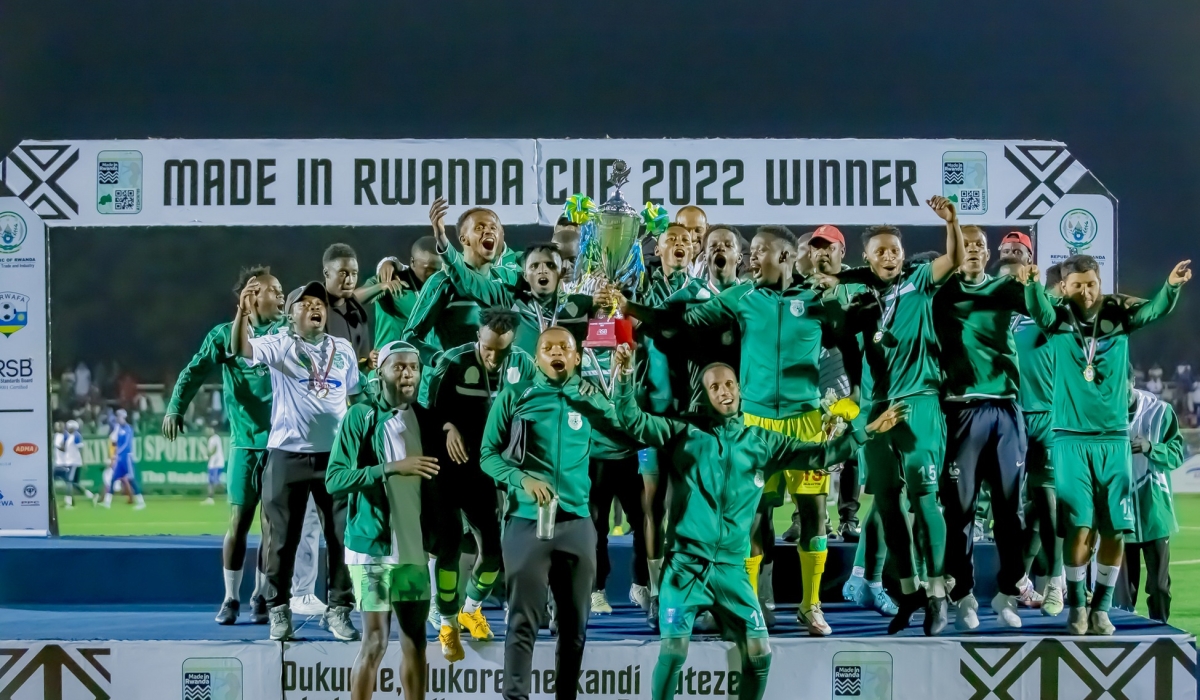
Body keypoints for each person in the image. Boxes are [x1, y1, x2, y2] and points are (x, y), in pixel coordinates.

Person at [610, 346, 909, 700]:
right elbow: (631, 418)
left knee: (760, 653)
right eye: (715, 387)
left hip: (732, 571)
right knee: (673, 652)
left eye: (730, 384)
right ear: (704, 396)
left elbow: (818, 454)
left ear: (739, 388)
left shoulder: (760, 442)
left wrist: (866, 432)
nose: (725, 391)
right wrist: (625, 377)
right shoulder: (683, 434)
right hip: (685, 568)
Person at [623, 224, 861, 637]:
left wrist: (851, 403)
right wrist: (629, 307)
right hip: (753, 423)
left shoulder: (818, 300)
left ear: (785, 257)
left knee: (814, 517)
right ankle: (748, 603)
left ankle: (810, 605)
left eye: (761, 251)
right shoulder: (742, 297)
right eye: (750, 252)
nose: (752, 258)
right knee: (753, 518)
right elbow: (679, 324)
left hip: (806, 423)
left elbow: (853, 349)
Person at [1020, 254, 1190, 634]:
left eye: (1091, 284)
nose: (1085, 291)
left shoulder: (1118, 311)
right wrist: (1032, 285)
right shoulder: (1057, 317)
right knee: (1079, 526)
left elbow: (1154, 312)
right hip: (1069, 440)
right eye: (1077, 285)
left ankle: (1102, 608)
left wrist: (1171, 288)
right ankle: (1077, 606)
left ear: (1100, 282)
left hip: (1114, 439)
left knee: (1115, 529)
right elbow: (1037, 308)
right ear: (1064, 286)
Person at [479, 326, 626, 700]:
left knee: (574, 626)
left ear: (577, 357)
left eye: (565, 347)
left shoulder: (590, 399)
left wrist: (619, 386)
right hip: (526, 523)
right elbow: (487, 455)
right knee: (523, 622)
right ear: (537, 357)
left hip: (576, 524)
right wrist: (521, 479)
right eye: (547, 347)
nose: (556, 351)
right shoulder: (516, 395)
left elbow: (623, 436)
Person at [840, 196, 965, 635]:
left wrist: (952, 222)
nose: (890, 255)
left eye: (895, 248)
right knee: (888, 504)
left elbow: (953, 259)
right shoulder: (859, 299)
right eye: (881, 251)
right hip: (877, 410)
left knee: (925, 498)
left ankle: (936, 595)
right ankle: (909, 592)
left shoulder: (919, 282)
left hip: (919, 403)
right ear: (868, 258)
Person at [232, 279, 363, 641]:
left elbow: (355, 397)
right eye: (304, 304)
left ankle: (339, 610)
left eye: (318, 302)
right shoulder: (279, 344)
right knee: (281, 540)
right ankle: (278, 610)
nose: (314, 307)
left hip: (336, 459)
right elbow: (242, 349)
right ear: (291, 315)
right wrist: (243, 313)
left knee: (342, 538)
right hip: (287, 456)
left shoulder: (343, 348)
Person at [164, 266, 285, 625]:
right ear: (251, 297)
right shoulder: (223, 336)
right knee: (239, 521)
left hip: (281, 444)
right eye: (273, 290)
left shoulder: (286, 333)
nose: (281, 294)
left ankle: (261, 596)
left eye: (281, 290)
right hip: (245, 445)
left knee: (272, 526)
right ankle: (230, 597)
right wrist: (175, 406)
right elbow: (194, 370)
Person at [326, 341, 443, 700]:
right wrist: (391, 469)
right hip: (371, 549)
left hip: (412, 549)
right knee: (375, 641)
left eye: (413, 367)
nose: (407, 373)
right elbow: (335, 479)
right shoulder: (361, 416)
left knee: (415, 641)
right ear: (381, 373)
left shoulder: (427, 419)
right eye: (399, 367)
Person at [422, 308, 537, 660]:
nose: (494, 357)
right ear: (479, 338)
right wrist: (447, 427)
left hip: (486, 472)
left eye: (501, 351)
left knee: (493, 552)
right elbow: (427, 412)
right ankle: (445, 622)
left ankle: (470, 609)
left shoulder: (523, 365)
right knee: (449, 547)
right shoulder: (452, 361)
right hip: (446, 469)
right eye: (488, 348)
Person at [931, 225, 1031, 630]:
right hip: (961, 409)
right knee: (960, 511)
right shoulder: (939, 292)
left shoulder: (1006, 290)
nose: (973, 251)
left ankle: (1008, 593)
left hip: (1006, 409)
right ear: (956, 251)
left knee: (1010, 511)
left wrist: (1036, 287)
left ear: (988, 254)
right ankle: (964, 594)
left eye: (979, 246)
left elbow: (1047, 314)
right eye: (966, 245)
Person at [1005, 261, 1066, 617]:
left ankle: (1054, 583)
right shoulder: (1014, 318)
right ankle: (1019, 581)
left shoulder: (1059, 318)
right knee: (1027, 513)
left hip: (1047, 420)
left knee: (1047, 504)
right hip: (1011, 419)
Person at [404, 199, 521, 364]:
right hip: (446, 385)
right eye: (479, 227)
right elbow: (410, 337)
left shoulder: (505, 280)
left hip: (490, 385)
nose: (488, 231)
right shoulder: (442, 282)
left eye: (493, 228)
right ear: (464, 239)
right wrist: (442, 360)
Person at [1123, 366, 1185, 622]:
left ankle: (1162, 636)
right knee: (1124, 592)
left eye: (1122, 385)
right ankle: (1120, 645)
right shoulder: (1103, 414)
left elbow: (1178, 453)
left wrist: (1152, 447)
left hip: (1154, 510)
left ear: (1133, 381)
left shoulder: (1159, 411)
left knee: (1159, 588)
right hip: (1121, 511)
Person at [366, 236, 443, 348]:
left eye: (439, 270)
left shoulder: (443, 286)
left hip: (423, 362)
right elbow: (353, 297)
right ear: (413, 262)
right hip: (390, 360)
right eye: (429, 269)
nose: (435, 275)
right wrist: (381, 286)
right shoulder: (391, 280)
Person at [321, 244, 375, 372]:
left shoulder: (358, 314)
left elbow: (359, 365)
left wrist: (368, 363)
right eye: (343, 273)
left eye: (354, 273)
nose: (350, 280)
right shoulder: (311, 309)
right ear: (326, 273)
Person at [99, 409, 145, 510]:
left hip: (126, 458)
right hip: (120, 459)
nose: (118, 418)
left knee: (131, 479)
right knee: (112, 479)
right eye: (117, 416)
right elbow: (114, 442)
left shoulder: (128, 429)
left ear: (124, 417)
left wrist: (117, 453)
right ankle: (107, 503)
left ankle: (141, 502)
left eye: (120, 416)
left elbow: (126, 445)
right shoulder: (117, 428)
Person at [53, 420, 91, 508]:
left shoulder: (77, 436)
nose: (68, 428)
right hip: (68, 461)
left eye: (69, 427)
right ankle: (90, 495)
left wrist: (83, 461)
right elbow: (63, 448)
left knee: (69, 481)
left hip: (75, 462)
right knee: (73, 482)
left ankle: (69, 502)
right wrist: (57, 447)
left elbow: (81, 449)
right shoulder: (67, 436)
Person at [674, 205, 708, 278]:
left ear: (707, 228)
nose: (692, 237)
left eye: (698, 230)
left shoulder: (720, 261)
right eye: (686, 230)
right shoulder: (661, 263)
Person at [204, 424, 225, 505]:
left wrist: (208, 455)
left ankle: (229, 494)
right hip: (212, 464)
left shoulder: (215, 438)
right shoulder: (211, 439)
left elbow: (214, 449)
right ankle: (210, 498)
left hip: (217, 463)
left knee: (216, 482)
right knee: (211, 482)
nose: (207, 431)